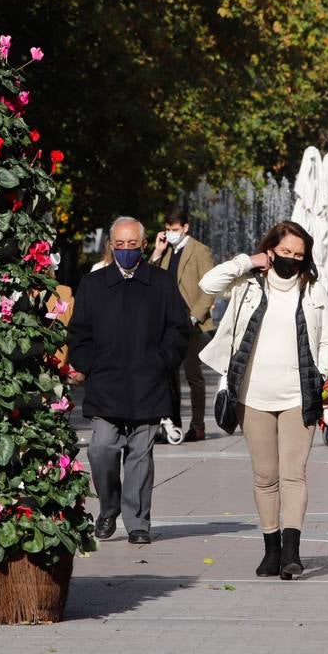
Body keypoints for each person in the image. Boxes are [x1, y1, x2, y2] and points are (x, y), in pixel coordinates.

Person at [198, 221, 328, 579]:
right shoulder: (247, 285)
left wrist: (319, 374)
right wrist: (248, 260)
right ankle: (270, 549)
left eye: (298, 255)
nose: (291, 260)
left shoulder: (313, 289)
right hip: (252, 395)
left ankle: (292, 552)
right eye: (285, 252)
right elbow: (207, 284)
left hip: (298, 395)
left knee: (293, 474)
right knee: (265, 476)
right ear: (271, 250)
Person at [68, 216, 190, 544]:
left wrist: (161, 362)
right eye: (119, 245)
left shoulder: (161, 283)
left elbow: (178, 329)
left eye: (131, 245)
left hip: (147, 384)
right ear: (111, 245)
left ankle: (138, 523)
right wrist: (87, 364)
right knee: (102, 448)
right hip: (106, 384)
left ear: (143, 245)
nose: (125, 250)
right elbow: (78, 332)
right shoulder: (93, 284)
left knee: (139, 455)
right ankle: (109, 507)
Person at [150, 208, 216, 441]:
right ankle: (172, 424)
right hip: (167, 321)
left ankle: (197, 426)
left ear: (185, 228)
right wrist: (157, 253)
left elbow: (210, 288)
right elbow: (150, 277)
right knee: (167, 374)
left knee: (193, 375)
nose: (170, 234)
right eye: (168, 229)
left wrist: (194, 316)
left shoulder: (200, 251)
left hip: (190, 322)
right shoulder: (166, 250)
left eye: (174, 230)